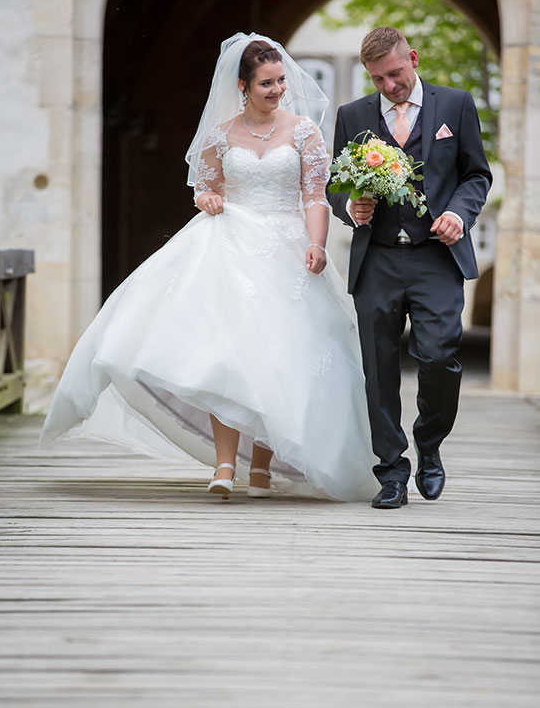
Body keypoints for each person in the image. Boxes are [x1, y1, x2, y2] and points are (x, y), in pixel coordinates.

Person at [40, 32, 378, 503]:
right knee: (229, 351)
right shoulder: (220, 136)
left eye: (281, 80)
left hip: (288, 251)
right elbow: (205, 188)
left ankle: (261, 468)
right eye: (266, 83)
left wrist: (318, 244)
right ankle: (225, 463)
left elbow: (315, 196)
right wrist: (209, 197)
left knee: (279, 354)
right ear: (243, 86)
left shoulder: (304, 131)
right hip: (232, 249)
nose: (278, 89)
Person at [328, 26, 492, 510]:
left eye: (395, 74)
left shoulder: (455, 106)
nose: (388, 87)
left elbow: (476, 173)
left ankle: (430, 442)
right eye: (377, 79)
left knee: (440, 355)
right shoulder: (353, 115)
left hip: (435, 258)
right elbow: (335, 184)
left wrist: (459, 215)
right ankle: (392, 472)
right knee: (378, 369)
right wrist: (348, 205)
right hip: (376, 257)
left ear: (413, 59)